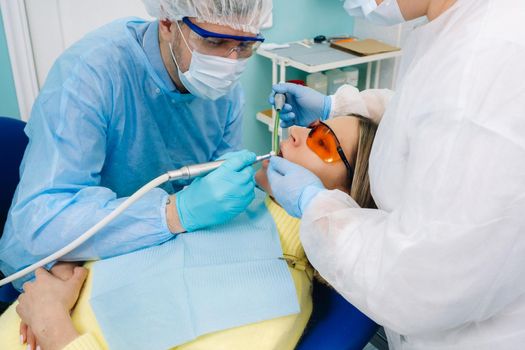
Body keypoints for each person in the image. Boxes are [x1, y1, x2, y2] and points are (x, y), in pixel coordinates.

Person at [267, 0, 525, 349]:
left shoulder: (490, 57)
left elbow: (425, 283)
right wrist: (338, 108)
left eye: (322, 140)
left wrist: (317, 209)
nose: (297, 133)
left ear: (351, 190)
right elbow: (427, 113)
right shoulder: (461, 32)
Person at [2, 115, 378, 350]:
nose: (295, 131)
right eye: (311, 126)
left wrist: (53, 324)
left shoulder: (275, 305)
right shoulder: (223, 210)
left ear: (343, 198)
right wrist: (70, 268)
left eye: (322, 142)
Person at [0, 0, 273, 292]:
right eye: (214, 41)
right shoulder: (91, 74)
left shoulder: (226, 95)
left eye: (245, 46)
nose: (229, 63)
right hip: (51, 267)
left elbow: (216, 189)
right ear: (168, 22)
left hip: (151, 251)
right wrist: (173, 213)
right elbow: (42, 220)